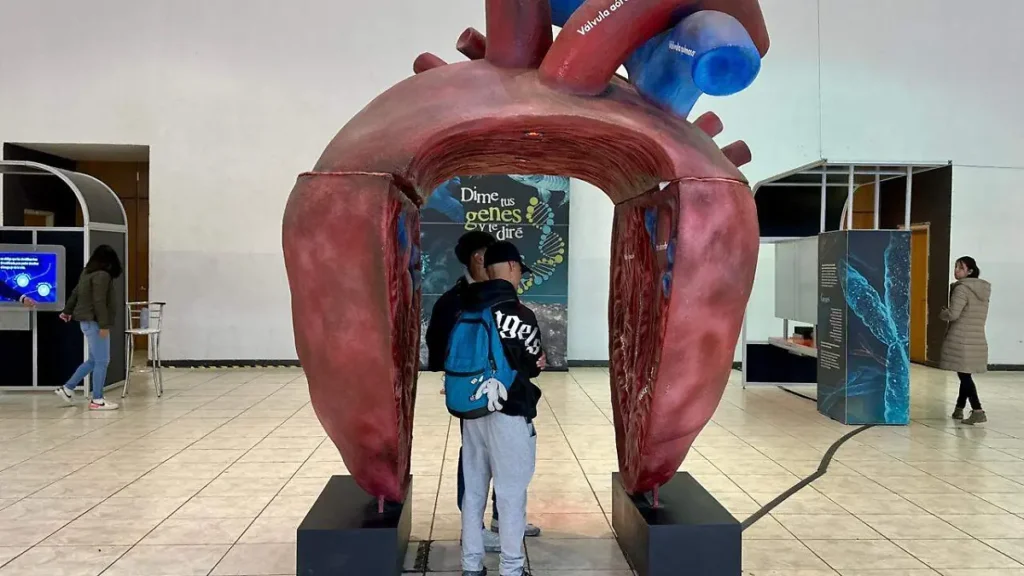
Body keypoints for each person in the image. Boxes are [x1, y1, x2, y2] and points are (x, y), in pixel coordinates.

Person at [425, 232, 542, 555]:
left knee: (483, 473)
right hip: (496, 404)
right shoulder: (494, 306)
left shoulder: (466, 302)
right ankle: (499, 552)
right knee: (496, 477)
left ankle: (482, 546)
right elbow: (530, 361)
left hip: (477, 402)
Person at [459, 241, 544, 576]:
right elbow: (532, 364)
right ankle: (511, 568)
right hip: (510, 411)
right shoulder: (519, 313)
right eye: (520, 269)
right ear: (511, 266)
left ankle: (471, 565)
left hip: (473, 412)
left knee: (474, 491)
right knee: (510, 492)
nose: (520, 275)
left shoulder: (466, 307)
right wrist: (534, 362)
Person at [54, 245, 122, 411]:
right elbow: (99, 301)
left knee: (93, 360)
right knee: (102, 361)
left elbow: (75, 293)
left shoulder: (87, 272)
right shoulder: (102, 275)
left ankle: (67, 388)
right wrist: (104, 325)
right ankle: (97, 400)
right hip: (95, 322)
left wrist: (67, 311)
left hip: (86, 322)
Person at [940, 256, 991, 425]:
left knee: (964, 376)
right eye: (955, 267)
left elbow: (953, 314)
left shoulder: (962, 288)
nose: (956, 271)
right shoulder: (983, 290)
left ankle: (978, 410)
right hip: (976, 338)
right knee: (964, 373)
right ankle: (959, 409)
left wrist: (942, 313)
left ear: (970, 271)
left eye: (960, 268)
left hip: (961, 338)